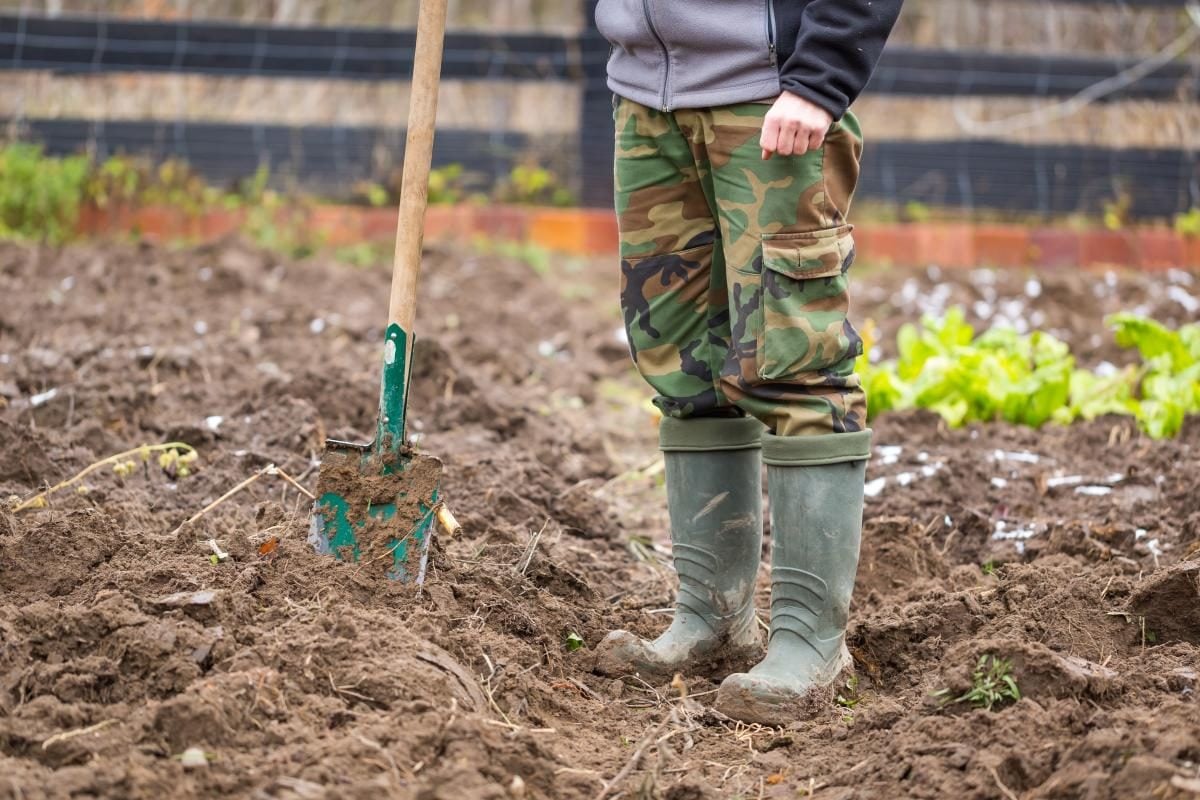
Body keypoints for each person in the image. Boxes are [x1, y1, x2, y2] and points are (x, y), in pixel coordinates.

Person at [592, 0, 904, 725]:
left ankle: (810, 641)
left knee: (794, 361)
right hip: (645, 97)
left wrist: (819, 80)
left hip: (770, 98)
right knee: (682, 369)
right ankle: (710, 618)